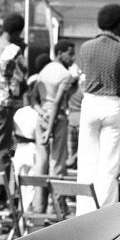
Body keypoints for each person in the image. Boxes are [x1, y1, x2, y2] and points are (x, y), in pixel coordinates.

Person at [76, 3, 120, 215]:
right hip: (113, 104)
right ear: (119, 25)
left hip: (90, 102)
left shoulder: (85, 48)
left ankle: (83, 212)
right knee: (109, 164)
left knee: (86, 160)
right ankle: (103, 213)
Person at [31, 39, 76, 211]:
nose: (72, 58)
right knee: (57, 164)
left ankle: (38, 208)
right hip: (57, 120)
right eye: (70, 53)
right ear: (60, 53)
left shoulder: (44, 71)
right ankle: (56, 208)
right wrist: (50, 128)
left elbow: (32, 97)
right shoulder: (65, 75)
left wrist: (40, 111)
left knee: (41, 164)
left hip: (42, 116)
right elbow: (57, 103)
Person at [0, 13, 28, 178]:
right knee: (6, 145)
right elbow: (22, 76)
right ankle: (3, 194)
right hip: (6, 103)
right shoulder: (14, 50)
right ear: (17, 32)